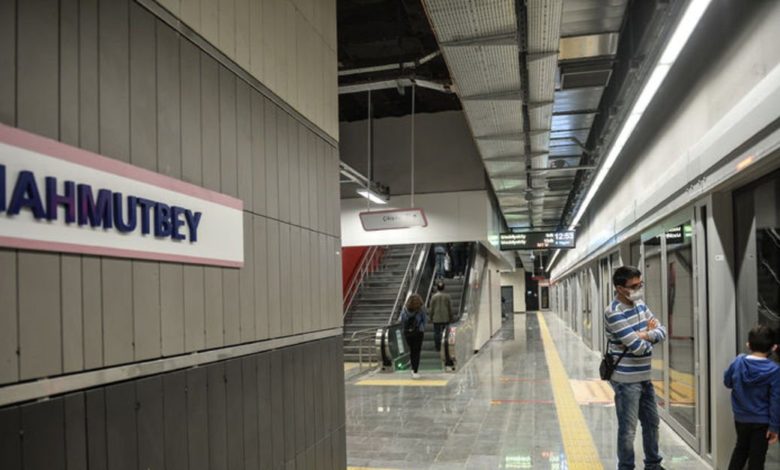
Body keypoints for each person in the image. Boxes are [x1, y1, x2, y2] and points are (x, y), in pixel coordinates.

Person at [605, 266, 667, 470]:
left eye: (640, 284)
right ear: (620, 288)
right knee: (628, 430)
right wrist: (647, 336)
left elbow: (662, 330)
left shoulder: (640, 304)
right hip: (625, 381)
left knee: (652, 423)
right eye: (634, 286)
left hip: (644, 377)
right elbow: (639, 349)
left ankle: (653, 465)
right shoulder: (613, 312)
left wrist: (642, 335)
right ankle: (626, 467)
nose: (638, 289)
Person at [724, 324, 780, 470]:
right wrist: (774, 427)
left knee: (740, 449)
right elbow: (776, 400)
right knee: (757, 457)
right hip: (762, 421)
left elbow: (727, 382)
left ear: (748, 344)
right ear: (773, 347)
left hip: (741, 418)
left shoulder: (738, 362)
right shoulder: (774, 370)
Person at [400, 293, 427, 378]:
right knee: (417, 352)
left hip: (407, 333)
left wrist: (405, 329)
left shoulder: (404, 310)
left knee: (411, 351)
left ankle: (412, 369)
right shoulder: (421, 310)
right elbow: (425, 320)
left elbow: (402, 320)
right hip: (418, 332)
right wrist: (422, 328)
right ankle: (415, 371)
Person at [429, 282, 453, 352]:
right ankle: (445, 346)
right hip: (445, 317)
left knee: (436, 333)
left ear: (437, 288)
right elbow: (450, 307)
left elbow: (431, 308)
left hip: (436, 318)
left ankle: (437, 347)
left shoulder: (433, 297)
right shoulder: (447, 296)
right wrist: (451, 316)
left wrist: (430, 317)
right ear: (444, 288)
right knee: (445, 332)